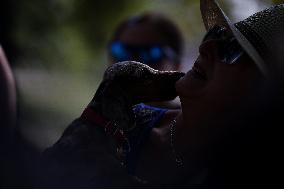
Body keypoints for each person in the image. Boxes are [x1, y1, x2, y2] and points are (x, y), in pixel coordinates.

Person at [43, 1, 284, 188]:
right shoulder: (120, 122)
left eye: (234, 50)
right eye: (216, 36)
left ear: (265, 97)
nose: (205, 46)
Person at [108, 12, 185, 109]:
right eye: (122, 51)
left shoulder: (195, 122)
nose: (132, 64)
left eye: (149, 53)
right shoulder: (95, 120)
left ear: (177, 67)